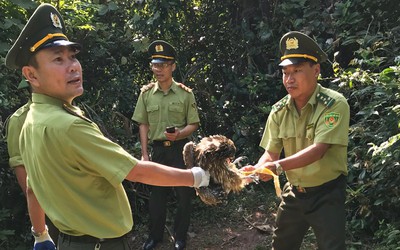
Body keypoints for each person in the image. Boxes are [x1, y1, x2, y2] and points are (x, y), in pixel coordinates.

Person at [5, 4, 209, 250]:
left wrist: (40, 233)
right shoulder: (68, 125)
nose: (73, 66)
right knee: (159, 200)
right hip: (98, 243)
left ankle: (180, 237)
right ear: (32, 75)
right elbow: (136, 171)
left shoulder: (27, 119)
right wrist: (198, 176)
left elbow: (31, 186)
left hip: (73, 240)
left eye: (73, 56)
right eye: (58, 59)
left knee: (181, 203)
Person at [245, 31, 350, 249]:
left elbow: (318, 150)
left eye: (297, 71)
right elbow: (271, 153)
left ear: (316, 70)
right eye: (285, 72)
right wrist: (257, 170)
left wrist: (277, 166)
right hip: (294, 193)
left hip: (327, 195)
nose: (289, 79)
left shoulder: (334, 104)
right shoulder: (279, 110)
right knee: (281, 245)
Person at [131, 40, 200, 250]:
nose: (158, 69)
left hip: (181, 151)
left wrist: (179, 134)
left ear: (173, 66)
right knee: (157, 197)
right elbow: (143, 124)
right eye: (154, 65)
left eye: (162, 65)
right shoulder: (146, 94)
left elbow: (194, 124)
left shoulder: (185, 94)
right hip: (158, 151)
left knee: (183, 196)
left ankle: (180, 238)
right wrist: (144, 154)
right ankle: (154, 237)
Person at [5, 80, 60, 246]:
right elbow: (21, 167)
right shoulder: (20, 119)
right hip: (50, 203)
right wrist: (40, 220)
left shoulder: (69, 112)